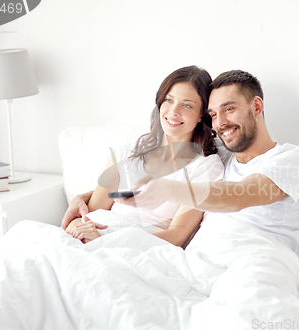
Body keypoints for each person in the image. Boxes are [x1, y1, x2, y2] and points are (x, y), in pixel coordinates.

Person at [64, 70, 299, 267]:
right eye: (214, 114)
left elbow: (238, 196)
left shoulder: (289, 159)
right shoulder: (227, 155)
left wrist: (165, 189)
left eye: (229, 109)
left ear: (257, 107)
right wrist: (85, 196)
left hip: (255, 261)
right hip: (197, 264)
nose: (221, 123)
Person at [62, 65, 224, 247]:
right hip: (89, 239)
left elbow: (177, 236)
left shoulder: (205, 167)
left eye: (187, 105)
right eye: (169, 100)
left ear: (202, 115)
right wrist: (77, 228)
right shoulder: (125, 154)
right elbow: (86, 214)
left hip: (135, 249)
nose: (174, 111)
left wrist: (107, 242)